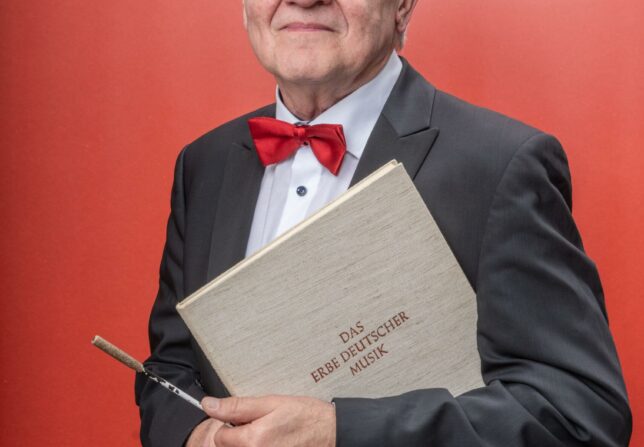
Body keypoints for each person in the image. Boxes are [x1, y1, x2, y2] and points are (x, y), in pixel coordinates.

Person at [135, 0, 632, 446]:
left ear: (403, 6)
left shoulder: (501, 165)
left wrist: (339, 432)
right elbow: (171, 369)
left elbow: (577, 414)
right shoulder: (204, 165)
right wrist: (197, 435)